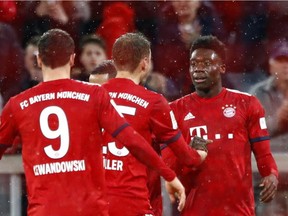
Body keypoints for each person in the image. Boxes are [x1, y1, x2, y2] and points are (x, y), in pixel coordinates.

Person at [0, 29, 186, 216]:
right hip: (88, 209)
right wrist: (168, 174)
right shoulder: (92, 95)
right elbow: (132, 141)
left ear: (39, 60)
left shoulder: (18, 104)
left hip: (45, 210)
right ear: (73, 59)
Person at [163, 35, 279, 216]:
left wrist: (271, 174)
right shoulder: (174, 111)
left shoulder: (247, 104)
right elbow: (167, 166)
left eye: (206, 63)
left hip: (238, 211)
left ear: (222, 68)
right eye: (194, 64)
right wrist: (187, 153)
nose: (198, 69)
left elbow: (263, 154)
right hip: (195, 211)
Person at [100, 33, 209, 216]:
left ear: (114, 62)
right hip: (133, 202)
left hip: (95, 202)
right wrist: (201, 149)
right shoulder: (154, 102)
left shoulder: (92, 96)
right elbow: (187, 158)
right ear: (145, 63)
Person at [249, 40, 288, 215]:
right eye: (281, 60)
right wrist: (277, 121)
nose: (286, 66)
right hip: (267, 180)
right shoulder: (256, 94)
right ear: (270, 64)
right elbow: (248, 136)